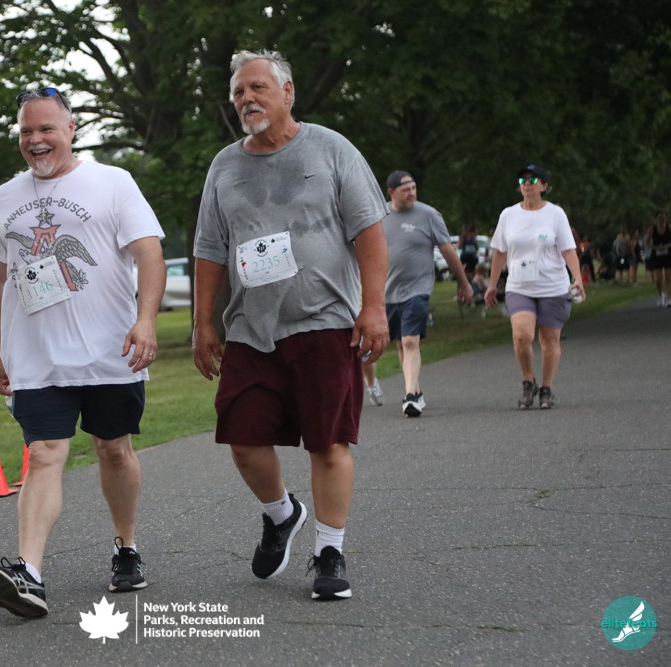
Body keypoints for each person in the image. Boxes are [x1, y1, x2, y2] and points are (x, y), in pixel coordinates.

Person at [192, 50, 390, 601]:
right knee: (243, 438)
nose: (246, 99)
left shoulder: (330, 149)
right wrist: (203, 322)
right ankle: (282, 514)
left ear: (287, 92)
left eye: (257, 87)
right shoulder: (223, 166)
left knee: (328, 443)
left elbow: (370, 232)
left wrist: (373, 306)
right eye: (238, 92)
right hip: (251, 328)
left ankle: (329, 552)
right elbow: (209, 249)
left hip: (324, 321)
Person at [0, 86, 166, 618]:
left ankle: (126, 546)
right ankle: (29, 574)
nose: (35, 140)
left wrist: (146, 321)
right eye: (26, 132)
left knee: (113, 449)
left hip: (110, 352)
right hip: (36, 357)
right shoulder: (3, 197)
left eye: (46, 129)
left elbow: (150, 253)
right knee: (42, 453)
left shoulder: (112, 182)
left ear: (71, 129)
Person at [363, 171, 473, 417]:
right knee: (401, 343)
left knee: (410, 341)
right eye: (406, 190)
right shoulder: (378, 216)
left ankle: (411, 395)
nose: (412, 193)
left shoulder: (429, 215)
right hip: (387, 292)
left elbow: (448, 251)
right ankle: (415, 390)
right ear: (391, 192)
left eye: (414, 188)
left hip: (418, 289)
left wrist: (464, 284)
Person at [484, 164, 584, 409]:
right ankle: (528, 382)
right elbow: (499, 252)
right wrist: (492, 284)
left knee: (549, 339)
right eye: (523, 180)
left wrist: (578, 278)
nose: (527, 183)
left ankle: (547, 388)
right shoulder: (508, 215)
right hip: (519, 286)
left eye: (533, 179)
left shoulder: (555, 214)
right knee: (522, 335)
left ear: (544, 186)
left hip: (553, 286)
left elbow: (568, 250)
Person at [645, 210, 671, 306]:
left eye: (663, 217)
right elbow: (647, 243)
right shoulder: (652, 229)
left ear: (666, 218)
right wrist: (655, 247)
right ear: (656, 218)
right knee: (658, 279)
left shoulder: (669, 228)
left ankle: (669, 297)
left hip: (668, 254)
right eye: (660, 217)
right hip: (656, 255)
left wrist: (667, 245)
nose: (661, 219)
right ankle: (661, 295)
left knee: (668, 275)